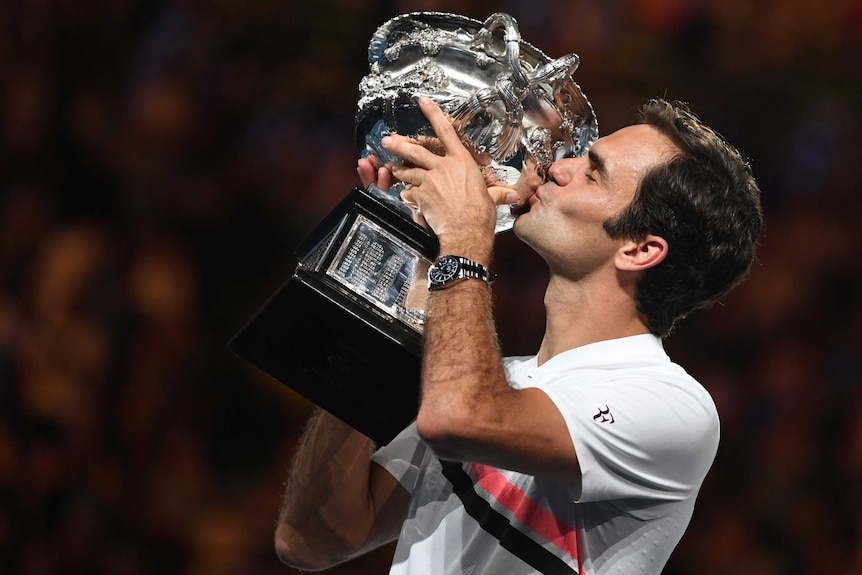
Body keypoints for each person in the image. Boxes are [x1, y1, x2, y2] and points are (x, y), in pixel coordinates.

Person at [273, 95, 763, 574]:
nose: (559, 167)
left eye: (591, 172)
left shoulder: (673, 406)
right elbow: (311, 539)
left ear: (640, 250)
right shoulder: (490, 378)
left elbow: (459, 417)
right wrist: (405, 263)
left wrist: (463, 234)